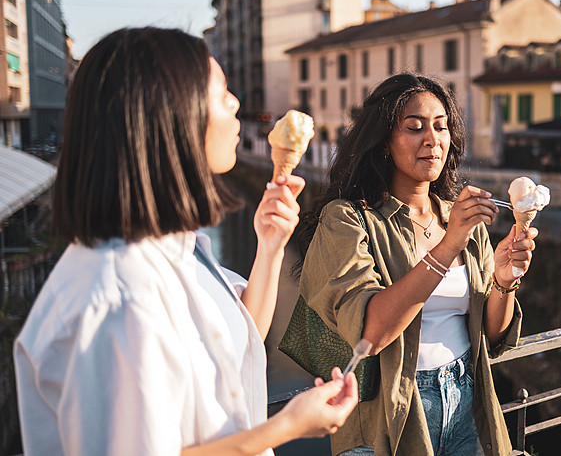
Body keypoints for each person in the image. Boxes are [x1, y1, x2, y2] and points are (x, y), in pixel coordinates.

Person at [13, 27, 357, 456]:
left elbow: (239, 337)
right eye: (220, 92)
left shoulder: (180, 248)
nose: (235, 103)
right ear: (169, 117)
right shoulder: (116, 299)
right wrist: (284, 427)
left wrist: (269, 249)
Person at [294, 73, 537, 456]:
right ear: (385, 142)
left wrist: (505, 280)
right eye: (414, 127)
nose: (432, 139)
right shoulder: (348, 220)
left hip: (466, 400)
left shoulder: (458, 216)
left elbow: (491, 334)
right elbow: (369, 334)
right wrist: (447, 246)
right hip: (385, 416)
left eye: (441, 127)